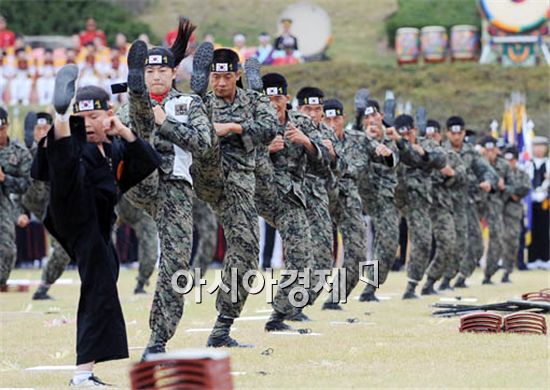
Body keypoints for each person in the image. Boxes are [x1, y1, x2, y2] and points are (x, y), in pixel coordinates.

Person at [35, 65, 160, 386]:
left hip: (98, 223)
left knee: (103, 282)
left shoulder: (115, 147)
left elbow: (146, 162)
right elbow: (44, 169)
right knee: (66, 158)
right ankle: (60, 120)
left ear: (110, 114)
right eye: (83, 118)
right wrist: (55, 135)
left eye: (95, 117)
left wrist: (125, 131)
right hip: (73, 208)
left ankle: (86, 371)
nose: (89, 124)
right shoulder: (83, 145)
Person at [117, 19, 213, 358]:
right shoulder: (125, 108)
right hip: (140, 182)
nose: (157, 75)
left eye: (163, 71)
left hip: (175, 187)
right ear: (143, 75)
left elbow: (203, 143)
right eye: (149, 71)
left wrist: (167, 123)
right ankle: (138, 97)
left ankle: (158, 340)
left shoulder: (189, 105)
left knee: (176, 264)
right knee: (137, 128)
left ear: (174, 74)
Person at [198, 48, 277, 345]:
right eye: (215, 77)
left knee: (245, 253)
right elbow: (192, 130)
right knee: (243, 250)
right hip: (209, 179)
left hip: (242, 184)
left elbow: (269, 128)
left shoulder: (254, 100)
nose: (220, 84)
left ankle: (222, 326)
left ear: (238, 75)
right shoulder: (202, 103)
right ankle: (220, 330)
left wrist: (234, 128)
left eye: (226, 77)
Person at [260, 73, 328, 330]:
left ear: (287, 99)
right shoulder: (251, 122)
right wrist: (264, 150)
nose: (273, 104)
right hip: (257, 195)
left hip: (290, 198)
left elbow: (324, 164)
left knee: (303, 257)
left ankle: (282, 313)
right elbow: (229, 154)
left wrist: (306, 142)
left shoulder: (300, 123)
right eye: (267, 98)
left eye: (278, 98)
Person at [322, 98, 395, 309]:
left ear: (343, 119)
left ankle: (335, 299)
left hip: (349, 201)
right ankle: (293, 305)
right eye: (327, 119)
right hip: (320, 199)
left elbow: (385, 156)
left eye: (336, 118)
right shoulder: (315, 140)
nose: (332, 123)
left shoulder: (358, 139)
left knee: (358, 252)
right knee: (318, 255)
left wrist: (387, 154)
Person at [388, 114, 447, 299]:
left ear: (415, 130)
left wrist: (424, 153)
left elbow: (441, 159)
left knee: (422, 241)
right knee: (385, 243)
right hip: (391, 199)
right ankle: (369, 288)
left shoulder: (426, 144)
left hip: (417, 200)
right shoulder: (390, 144)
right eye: (401, 134)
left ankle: (412, 285)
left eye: (408, 133)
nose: (405, 137)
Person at [442, 116, 498, 289]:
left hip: (466, 204)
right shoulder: (439, 151)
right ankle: (435, 281)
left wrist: (488, 181)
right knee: (449, 245)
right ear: (447, 133)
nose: (457, 137)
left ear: (464, 133)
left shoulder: (470, 152)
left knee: (476, 246)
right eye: (453, 133)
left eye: (460, 133)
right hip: (443, 205)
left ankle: (459, 278)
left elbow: (486, 170)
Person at [358, 100, 401, 302]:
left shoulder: (393, 138)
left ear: (381, 116)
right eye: (366, 118)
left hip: (386, 199)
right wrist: (367, 142)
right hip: (358, 197)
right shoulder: (358, 138)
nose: (370, 121)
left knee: (389, 243)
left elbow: (400, 156)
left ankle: (370, 288)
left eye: (373, 116)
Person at [421, 119, 466, 295]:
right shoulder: (416, 153)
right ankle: (411, 285)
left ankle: (431, 280)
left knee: (448, 243)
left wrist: (451, 173)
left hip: (440, 207)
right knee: (420, 246)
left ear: (440, 135)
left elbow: (462, 173)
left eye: (434, 135)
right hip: (419, 205)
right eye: (427, 136)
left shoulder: (448, 155)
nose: (431, 138)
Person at [0, 107, 32, 291]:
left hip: (4, 202)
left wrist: (5, 179)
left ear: (7, 127)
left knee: (7, 251)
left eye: (1, 130)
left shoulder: (19, 153)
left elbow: (26, 184)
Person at [478, 136, 511, 284]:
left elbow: (513, 185)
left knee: (497, 238)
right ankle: (459, 274)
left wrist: (504, 187)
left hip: (495, 205)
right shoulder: (476, 162)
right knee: (470, 239)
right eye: (487, 149)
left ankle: (489, 273)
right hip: (476, 203)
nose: (490, 153)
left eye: (493, 149)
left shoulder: (504, 165)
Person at [501, 146, 531, 282]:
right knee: (498, 240)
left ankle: (507, 270)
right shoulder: (499, 174)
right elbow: (495, 188)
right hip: (498, 211)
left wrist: (506, 189)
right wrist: (512, 193)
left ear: (515, 160)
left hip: (514, 213)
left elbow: (524, 189)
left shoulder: (522, 174)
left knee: (513, 241)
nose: (508, 163)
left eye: (511, 160)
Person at [526, 136, 549, 267]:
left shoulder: (548, 163)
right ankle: (532, 258)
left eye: (542, 146)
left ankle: (545, 258)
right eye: (536, 146)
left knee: (544, 229)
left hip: (545, 201)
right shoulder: (528, 164)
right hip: (531, 201)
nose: (539, 149)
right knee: (531, 229)